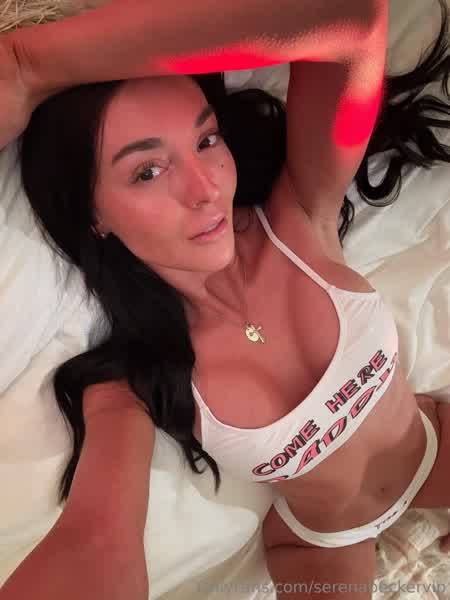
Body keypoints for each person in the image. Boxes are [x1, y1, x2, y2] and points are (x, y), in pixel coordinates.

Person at [2, 0, 450, 598]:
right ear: (92, 214)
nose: (206, 188)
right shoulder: (131, 382)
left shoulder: (300, 217)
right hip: (321, 540)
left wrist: (27, 63)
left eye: (206, 139)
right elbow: (97, 542)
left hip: (436, 447)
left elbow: (351, 18)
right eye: (148, 172)